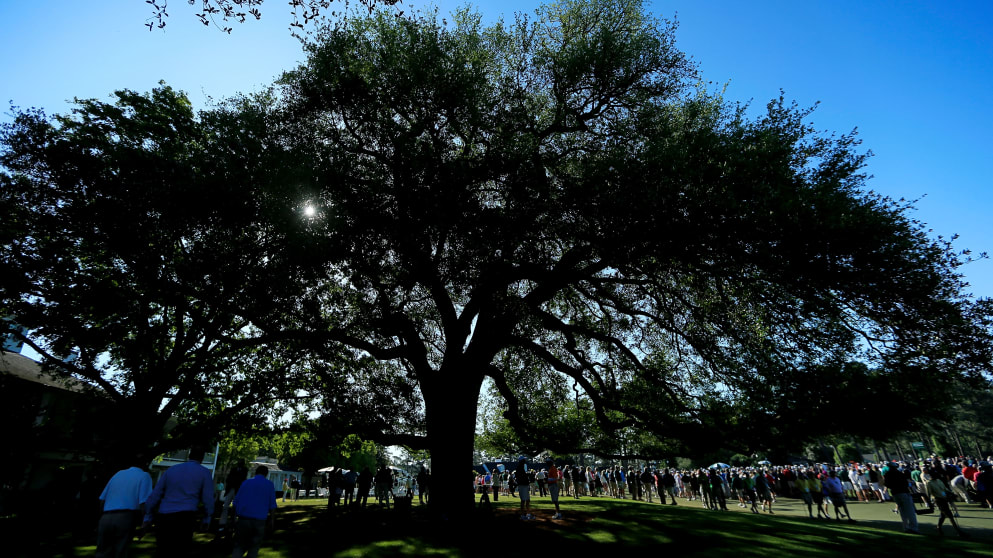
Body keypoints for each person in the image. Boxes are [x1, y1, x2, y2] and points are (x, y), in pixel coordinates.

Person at [143, 446, 215, 557]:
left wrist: (148, 515)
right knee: (180, 550)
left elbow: (156, 494)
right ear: (202, 458)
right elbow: (208, 498)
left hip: (165, 515)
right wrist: (207, 518)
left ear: (189, 455)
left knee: (162, 550)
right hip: (185, 517)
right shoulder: (204, 473)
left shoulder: (172, 470)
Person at [95, 462, 153, 558]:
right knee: (120, 551)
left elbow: (102, 500)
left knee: (102, 551)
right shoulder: (144, 476)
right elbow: (144, 502)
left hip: (106, 516)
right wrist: (146, 521)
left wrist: (100, 517)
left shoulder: (118, 474)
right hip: (125, 517)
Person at [231, 465, 278, 558]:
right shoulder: (269, 485)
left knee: (239, 546)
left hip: (243, 518)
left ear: (256, 472)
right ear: (266, 474)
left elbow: (236, 501)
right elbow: (272, 504)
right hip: (259, 520)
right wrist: (272, 519)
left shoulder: (246, 483)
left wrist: (233, 517)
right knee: (254, 548)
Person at [883, 462, 917, 534]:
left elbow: (887, 484)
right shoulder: (899, 473)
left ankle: (906, 527)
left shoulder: (887, 475)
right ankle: (913, 528)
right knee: (910, 511)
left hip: (895, 493)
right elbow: (906, 483)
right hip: (903, 492)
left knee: (902, 512)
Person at [219, 462, 249, 534]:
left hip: (237, 490)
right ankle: (223, 521)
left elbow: (242, 479)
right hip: (231, 489)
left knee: (235, 507)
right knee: (226, 506)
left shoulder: (244, 470)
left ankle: (233, 520)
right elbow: (229, 478)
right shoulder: (234, 469)